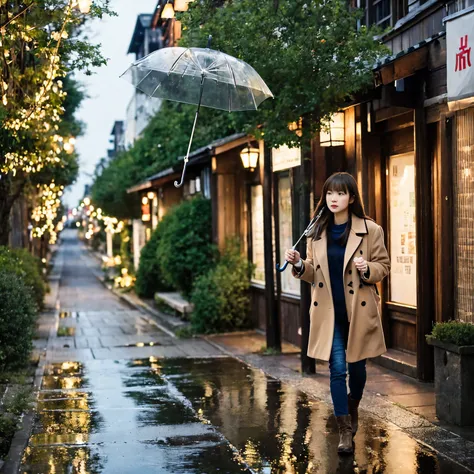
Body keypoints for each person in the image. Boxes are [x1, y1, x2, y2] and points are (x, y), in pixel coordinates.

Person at [285, 172, 390, 455]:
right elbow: (311, 272)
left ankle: (352, 404)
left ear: (351, 198)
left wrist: (367, 267)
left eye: (341, 193)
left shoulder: (371, 230)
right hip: (329, 314)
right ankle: (345, 429)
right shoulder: (315, 232)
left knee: (357, 370)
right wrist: (297, 264)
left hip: (358, 312)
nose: (334, 198)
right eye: (330, 193)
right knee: (337, 370)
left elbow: (383, 266)